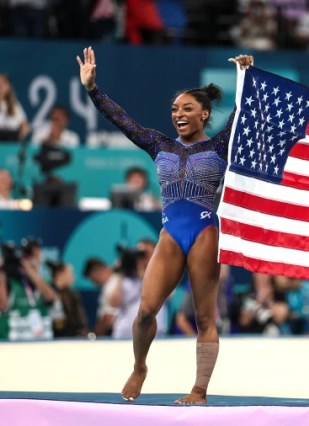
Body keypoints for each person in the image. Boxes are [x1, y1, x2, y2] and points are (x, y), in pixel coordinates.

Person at [76, 46, 254, 404]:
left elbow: (243, 114)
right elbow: (122, 120)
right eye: (175, 109)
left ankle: (199, 390)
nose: (179, 114)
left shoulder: (220, 145)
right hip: (171, 232)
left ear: (204, 114)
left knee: (205, 317)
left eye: (187, 108)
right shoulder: (158, 144)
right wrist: (93, 89)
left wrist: (246, 76)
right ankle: (140, 365)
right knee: (145, 311)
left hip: (205, 231)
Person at [0, 73, 30, 142]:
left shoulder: (14, 105)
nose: (0, 86)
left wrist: (18, 138)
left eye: (3, 83)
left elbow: (25, 126)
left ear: (8, 87)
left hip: (11, 142)